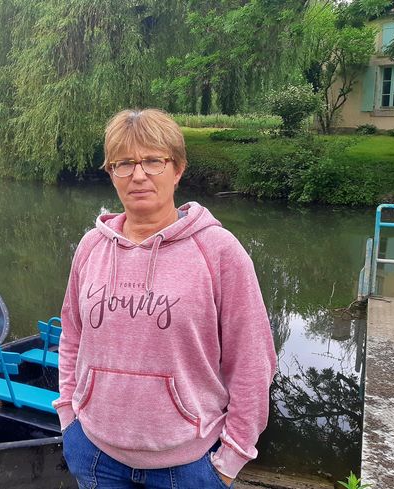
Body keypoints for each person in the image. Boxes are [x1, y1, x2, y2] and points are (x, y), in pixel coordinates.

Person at [55, 108, 277, 488]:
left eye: (153, 161)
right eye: (124, 163)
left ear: (177, 169)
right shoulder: (91, 247)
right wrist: (68, 418)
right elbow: (72, 337)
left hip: (189, 465)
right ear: (111, 173)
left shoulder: (219, 251)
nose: (138, 175)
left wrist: (230, 460)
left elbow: (253, 361)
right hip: (94, 454)